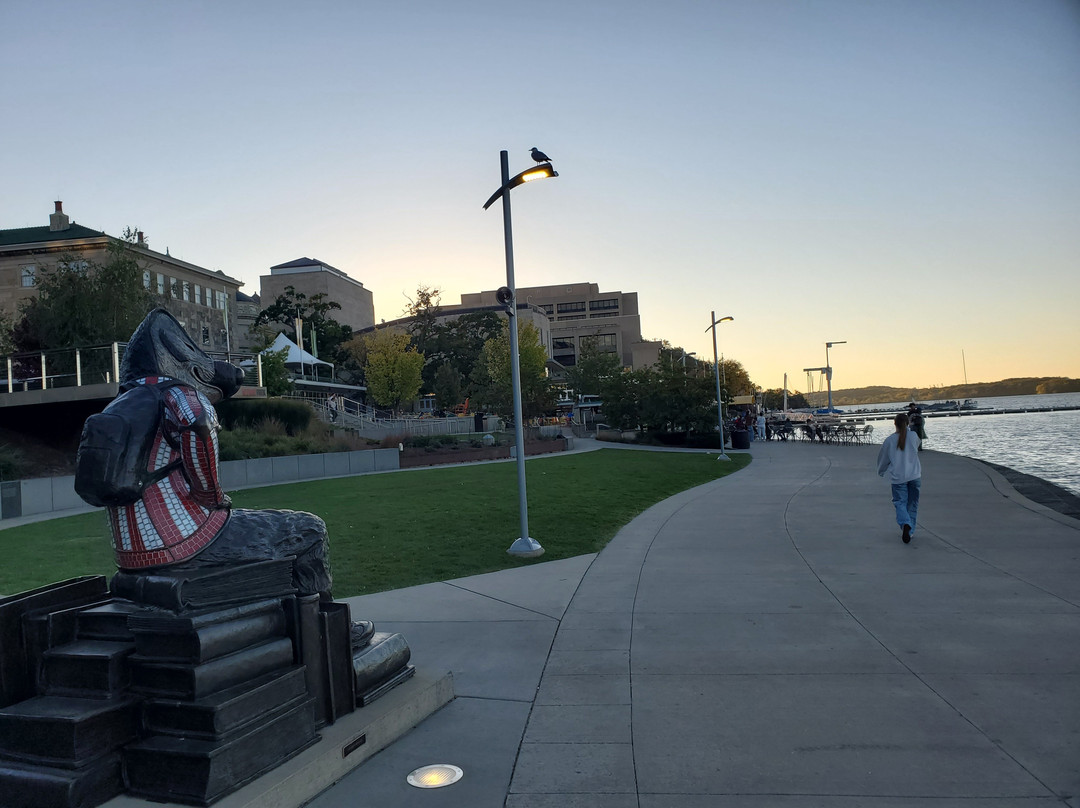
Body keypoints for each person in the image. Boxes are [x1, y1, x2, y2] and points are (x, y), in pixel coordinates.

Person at [876, 412, 922, 544]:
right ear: (907, 423)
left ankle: (905, 523)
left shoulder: (889, 440)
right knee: (912, 503)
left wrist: (881, 470)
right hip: (914, 475)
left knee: (900, 502)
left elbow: (883, 458)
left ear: (894, 424)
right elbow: (916, 446)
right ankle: (910, 530)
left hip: (899, 477)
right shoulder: (913, 436)